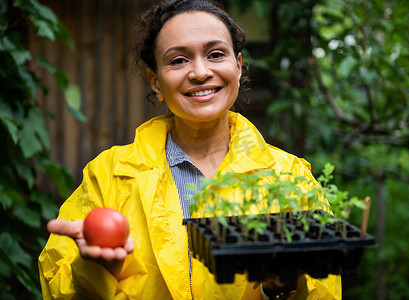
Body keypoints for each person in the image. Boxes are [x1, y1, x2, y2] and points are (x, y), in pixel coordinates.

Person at [38, 0, 341, 299]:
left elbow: (323, 291)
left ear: (238, 65)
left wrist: (276, 288)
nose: (199, 72)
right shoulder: (108, 176)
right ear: (155, 82)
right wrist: (94, 270)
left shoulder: (289, 178)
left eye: (216, 54)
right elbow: (56, 286)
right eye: (178, 60)